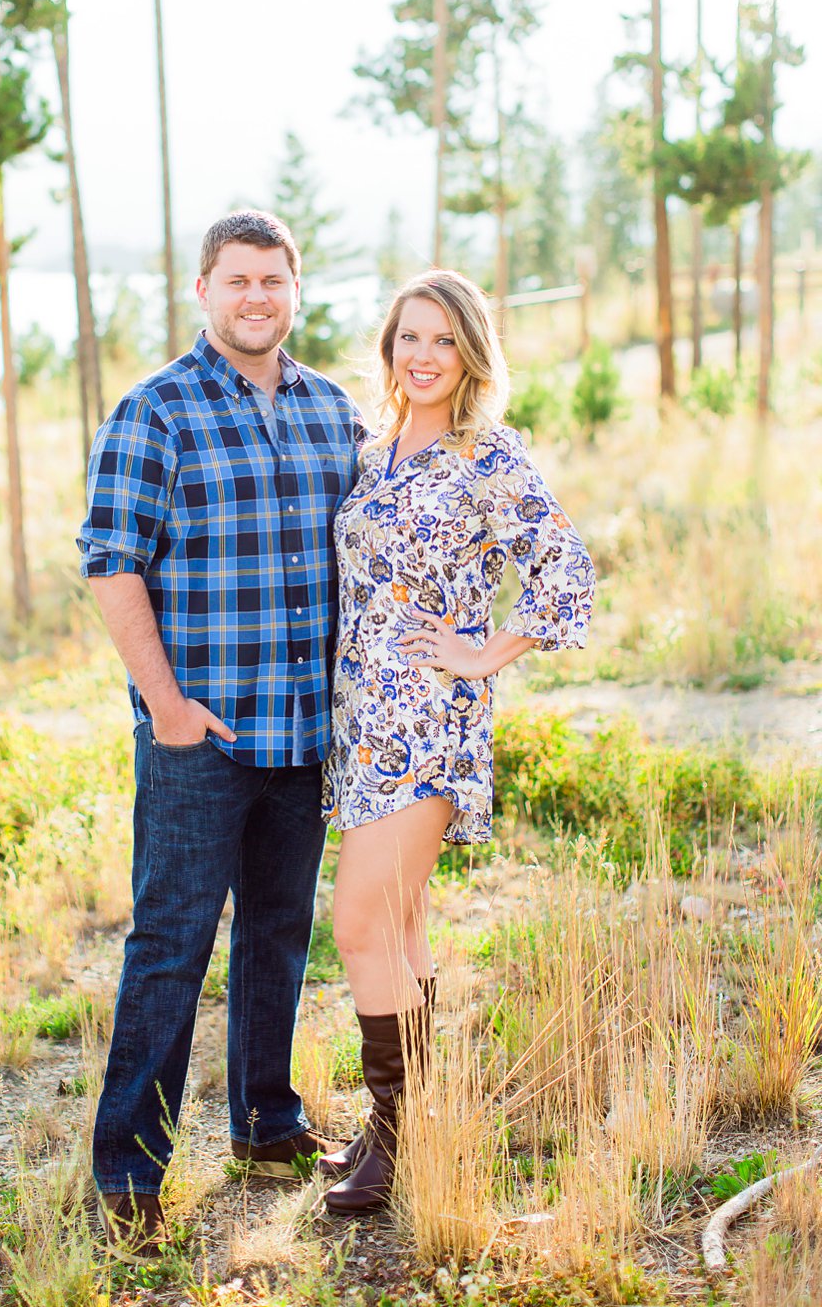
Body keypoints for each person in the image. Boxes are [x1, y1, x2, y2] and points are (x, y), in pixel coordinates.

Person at [78, 210, 367, 1246]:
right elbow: (111, 561)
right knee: (169, 944)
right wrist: (164, 704)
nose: (256, 296)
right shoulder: (153, 411)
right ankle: (126, 1167)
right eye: (236, 279)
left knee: (280, 934)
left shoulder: (335, 412)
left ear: (294, 291)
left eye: (273, 280)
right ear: (201, 290)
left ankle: (263, 1117)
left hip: (301, 735)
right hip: (197, 738)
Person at [317, 270, 593, 1214]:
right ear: (391, 348)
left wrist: (487, 651)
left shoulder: (488, 455)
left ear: (471, 353)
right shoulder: (373, 451)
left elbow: (565, 568)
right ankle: (408, 1127)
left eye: (442, 340)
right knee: (396, 925)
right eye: (409, 338)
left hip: (429, 724)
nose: (423, 356)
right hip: (362, 723)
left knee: (357, 920)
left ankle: (396, 1143)